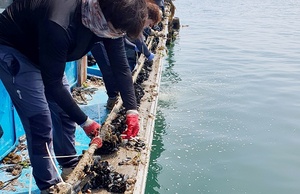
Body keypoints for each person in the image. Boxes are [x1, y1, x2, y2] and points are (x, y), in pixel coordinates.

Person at [0, 0, 147, 192]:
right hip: (15, 47)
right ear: (104, 15)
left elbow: (121, 68)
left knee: (64, 112)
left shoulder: (109, 23)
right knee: (40, 122)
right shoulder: (60, 21)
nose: (118, 36)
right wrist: (85, 122)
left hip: (49, 51)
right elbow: (53, 84)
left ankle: (68, 164)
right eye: (117, 31)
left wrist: (132, 110)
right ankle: (50, 186)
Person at [91, 1, 162, 111]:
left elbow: (121, 38)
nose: (148, 26)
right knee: (107, 69)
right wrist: (147, 54)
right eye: (150, 23)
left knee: (117, 69)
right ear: (146, 16)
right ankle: (112, 98)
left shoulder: (127, 20)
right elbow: (138, 40)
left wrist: (133, 47)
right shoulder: (133, 16)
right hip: (97, 39)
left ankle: (115, 94)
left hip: (107, 34)